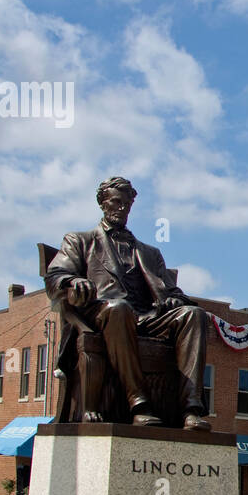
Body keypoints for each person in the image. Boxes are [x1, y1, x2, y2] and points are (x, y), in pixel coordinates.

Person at [46, 176, 211, 430]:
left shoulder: (149, 253)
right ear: (103, 203)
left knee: (194, 314)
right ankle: (139, 403)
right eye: (116, 202)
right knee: (118, 308)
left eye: (127, 203)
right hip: (104, 315)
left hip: (147, 318)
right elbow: (55, 276)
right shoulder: (80, 240)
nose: (122, 208)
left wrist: (173, 300)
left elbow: (174, 292)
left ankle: (191, 409)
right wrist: (72, 282)